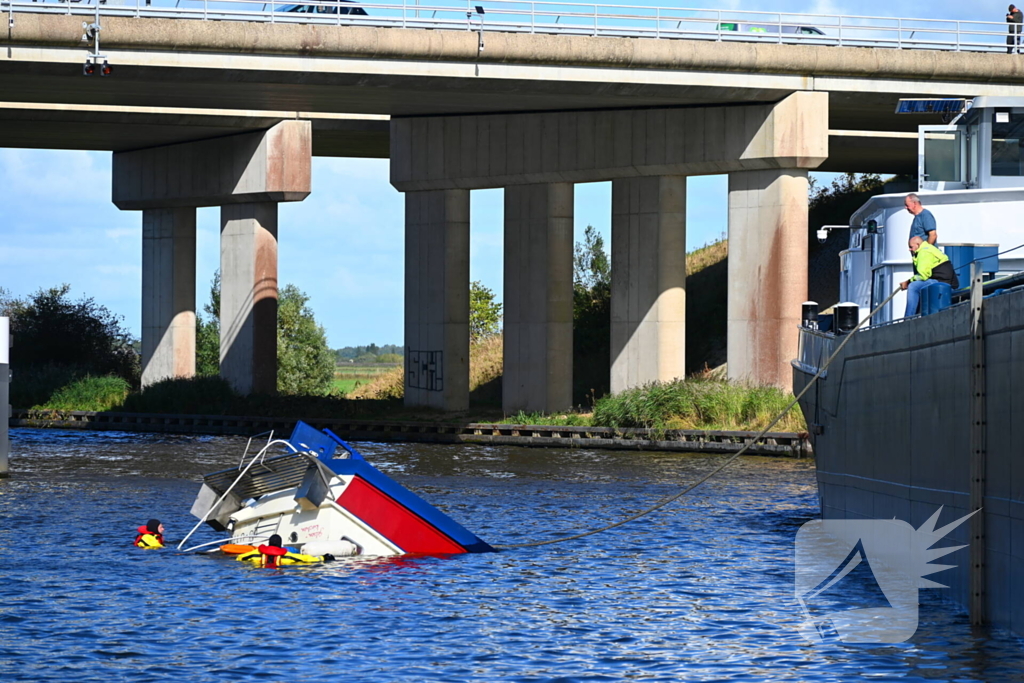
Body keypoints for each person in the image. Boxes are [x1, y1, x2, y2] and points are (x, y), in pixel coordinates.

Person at [901, 236, 960, 317]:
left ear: (918, 245)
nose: (909, 249)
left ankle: (908, 318)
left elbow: (923, 275)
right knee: (919, 287)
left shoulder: (924, 252)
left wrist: (908, 282)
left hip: (941, 281)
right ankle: (916, 315)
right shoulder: (929, 248)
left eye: (911, 247)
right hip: (947, 281)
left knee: (913, 287)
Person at [236, 534, 335, 568]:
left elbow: (240, 557)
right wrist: (324, 557)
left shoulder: (255, 554)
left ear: (269, 544)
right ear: (280, 545)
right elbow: (306, 559)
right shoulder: (288, 556)